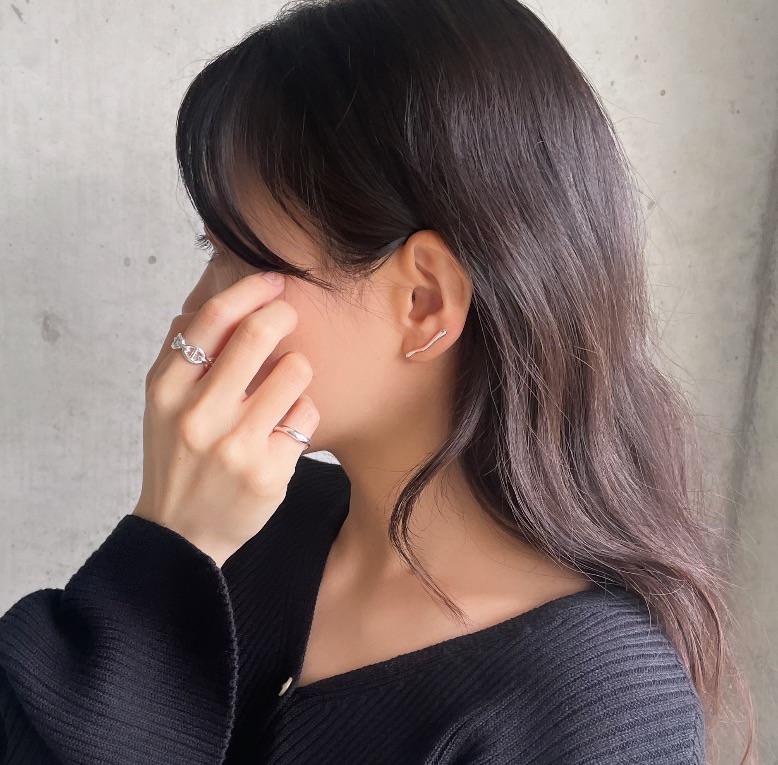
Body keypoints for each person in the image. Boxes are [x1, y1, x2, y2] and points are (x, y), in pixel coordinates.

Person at [0, 0, 754, 763]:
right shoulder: (255, 525)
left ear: (424, 301)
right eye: (210, 250)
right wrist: (170, 544)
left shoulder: (597, 713)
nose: (197, 310)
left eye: (239, 258)